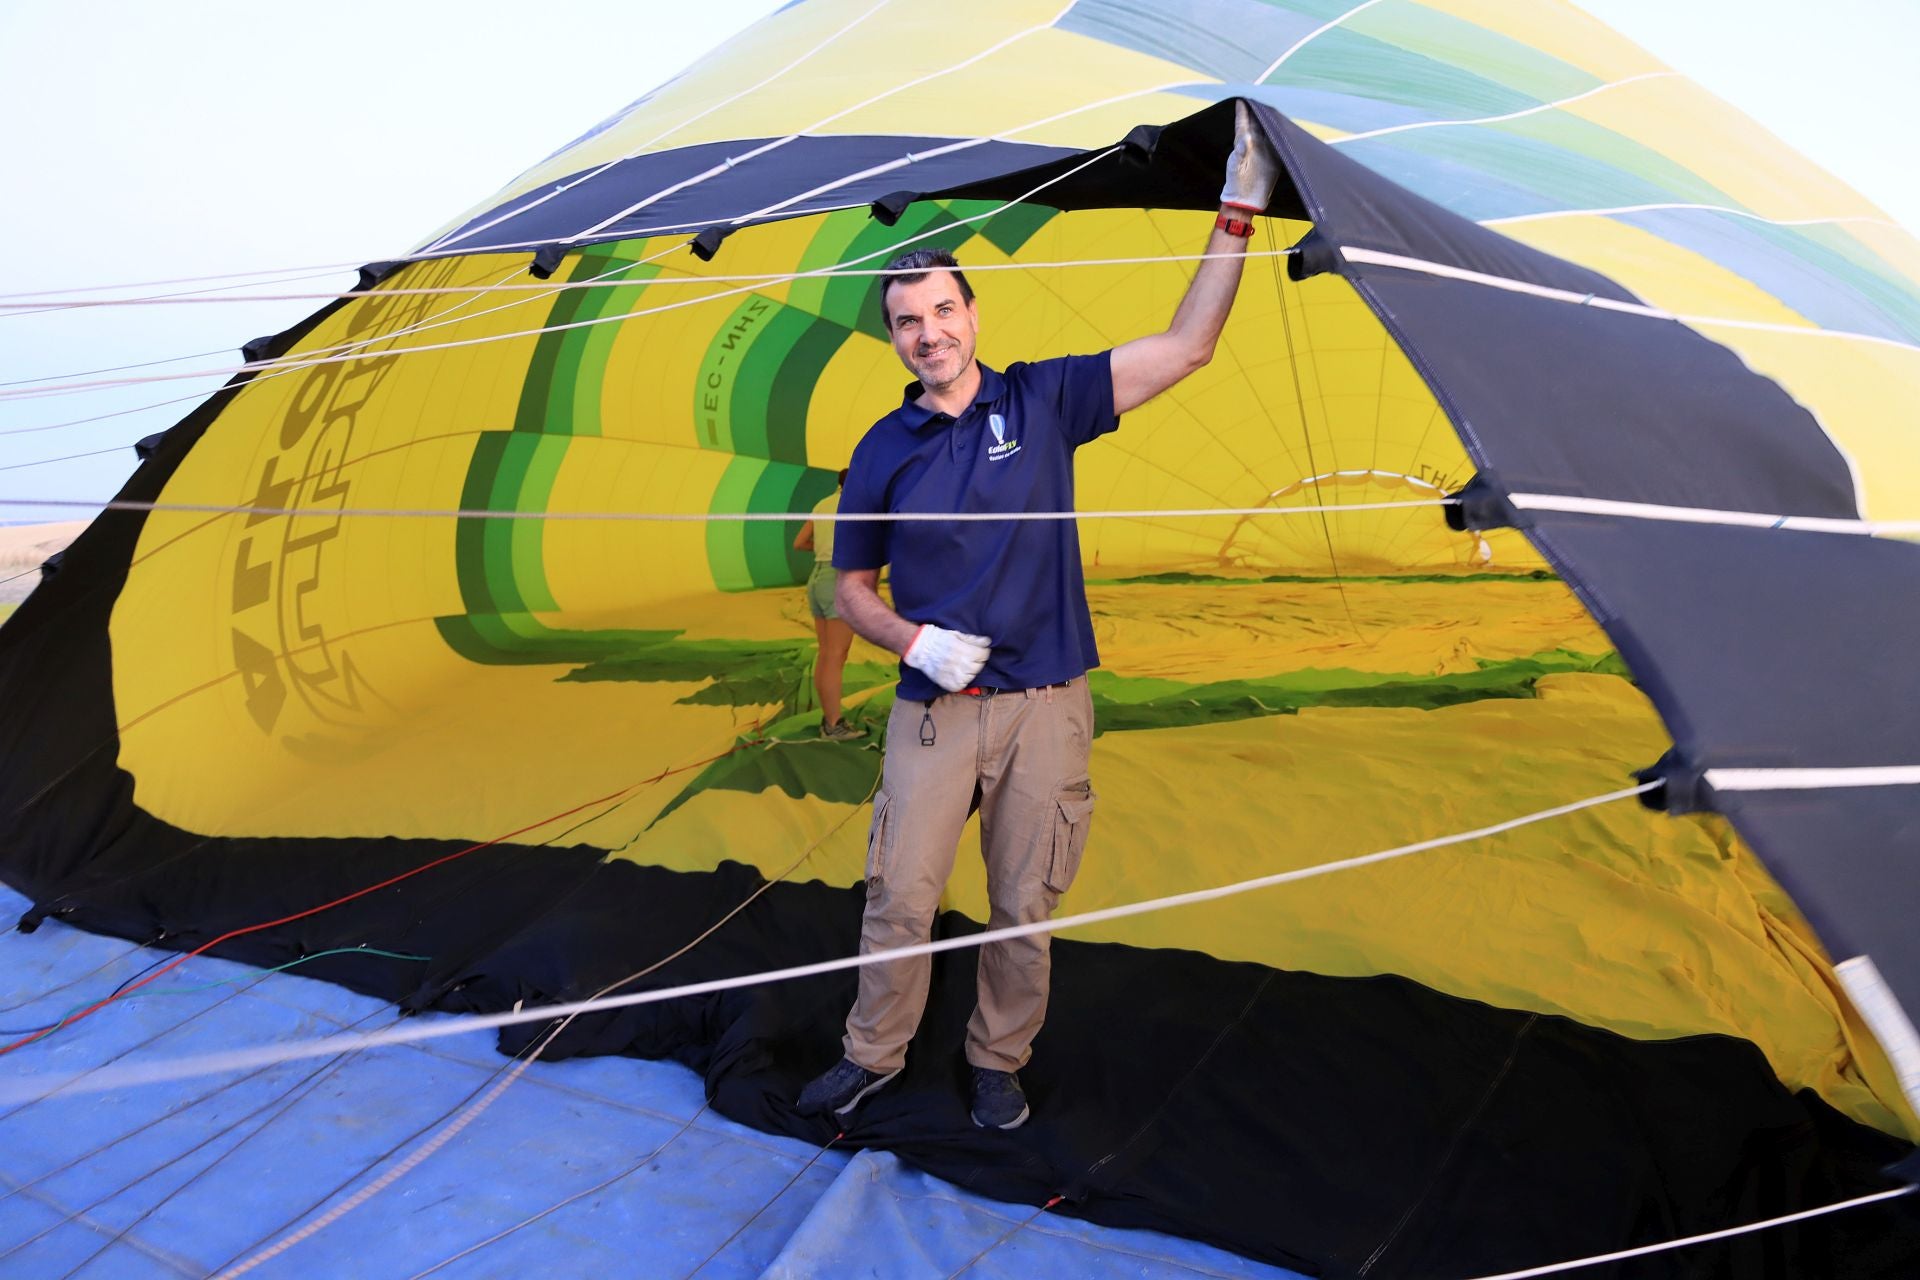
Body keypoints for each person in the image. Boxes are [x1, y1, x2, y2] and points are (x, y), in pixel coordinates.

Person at [797, 104, 1280, 1130]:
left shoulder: (1044, 402)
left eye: (942, 310)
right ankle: (871, 1054)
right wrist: (913, 640)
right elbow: (848, 589)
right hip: (935, 710)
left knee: (1024, 903)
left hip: (1046, 706)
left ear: (973, 314)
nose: (928, 333)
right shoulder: (881, 450)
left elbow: (1189, 347)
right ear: (893, 337)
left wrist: (1238, 208)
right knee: (899, 896)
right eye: (907, 321)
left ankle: (996, 1057)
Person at [793, 470, 864, 740]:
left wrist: (823, 547)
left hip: (817, 578)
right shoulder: (858, 505)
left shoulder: (822, 504)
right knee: (836, 655)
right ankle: (834, 725)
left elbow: (799, 542)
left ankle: (829, 719)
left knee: (826, 653)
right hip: (839, 578)